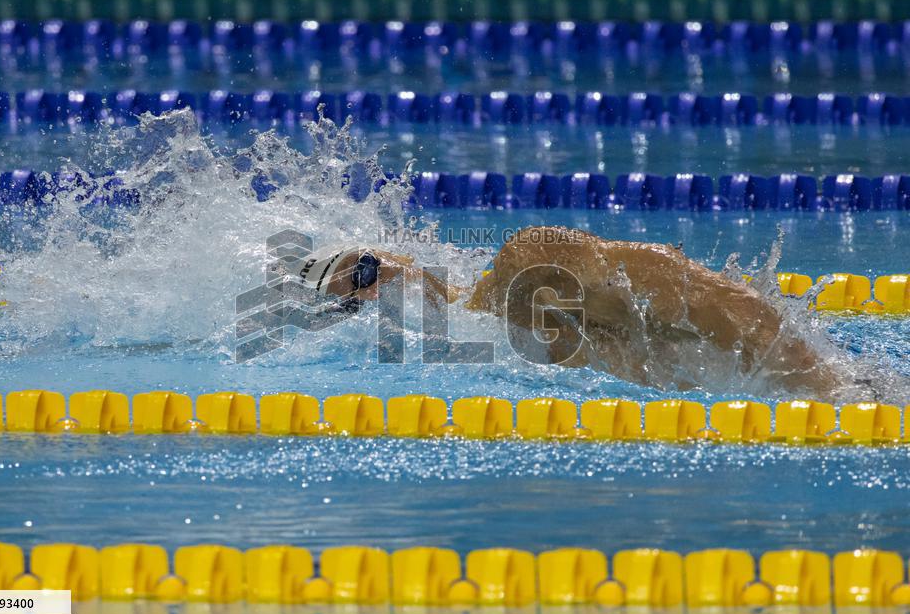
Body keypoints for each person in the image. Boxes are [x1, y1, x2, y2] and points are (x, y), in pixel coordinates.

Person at [290, 226, 843, 395]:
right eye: (359, 288)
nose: (381, 282)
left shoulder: (518, 267)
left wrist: (828, 384)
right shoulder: (480, 345)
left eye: (369, 264)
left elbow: (686, 285)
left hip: (811, 383)